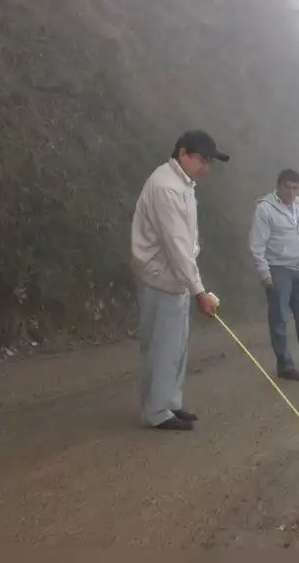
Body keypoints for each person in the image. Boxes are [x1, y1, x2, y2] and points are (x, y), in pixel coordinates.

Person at [130, 129, 228, 431]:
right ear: (182, 153)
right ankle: (157, 412)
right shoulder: (166, 187)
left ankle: (169, 403)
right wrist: (200, 291)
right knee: (162, 346)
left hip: (176, 277)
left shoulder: (183, 183)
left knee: (176, 346)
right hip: (161, 276)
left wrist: (193, 286)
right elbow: (176, 246)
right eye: (201, 159)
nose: (205, 167)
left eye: (209, 161)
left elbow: (183, 246)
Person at [248, 168, 299, 381]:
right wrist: (264, 273)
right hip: (279, 269)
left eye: (295, 188)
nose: (292, 192)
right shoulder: (265, 209)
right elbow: (257, 244)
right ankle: (285, 365)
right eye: (288, 187)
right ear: (279, 185)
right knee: (279, 319)